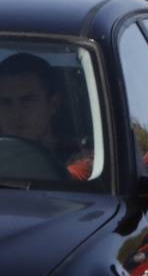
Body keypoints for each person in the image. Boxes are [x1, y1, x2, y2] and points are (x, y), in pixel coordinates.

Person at [0, 52, 93, 180]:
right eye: (5, 102)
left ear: (53, 105)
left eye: (27, 100)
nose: (16, 113)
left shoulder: (82, 164)